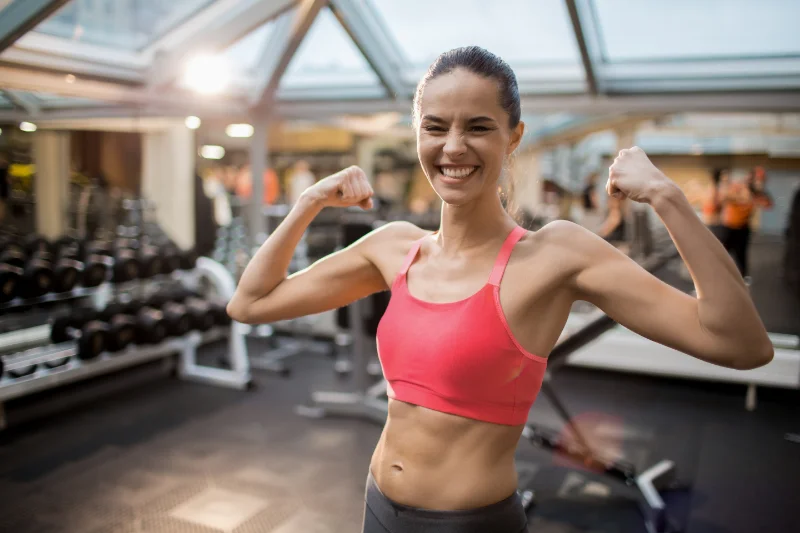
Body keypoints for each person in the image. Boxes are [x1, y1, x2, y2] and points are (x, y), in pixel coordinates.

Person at [227, 47, 773, 533]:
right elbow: (250, 303)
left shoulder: (555, 254)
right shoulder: (395, 246)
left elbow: (741, 344)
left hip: (470, 523)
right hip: (377, 507)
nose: (453, 147)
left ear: (514, 136)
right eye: (435, 126)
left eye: (479, 127)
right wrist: (308, 204)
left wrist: (666, 196)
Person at [721, 167, 773, 279]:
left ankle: (743, 279)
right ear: (751, 178)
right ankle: (716, 276)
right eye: (758, 180)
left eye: (762, 181)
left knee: (741, 255)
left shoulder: (758, 193)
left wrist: (755, 196)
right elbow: (725, 197)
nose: (760, 183)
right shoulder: (739, 186)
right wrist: (741, 195)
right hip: (729, 227)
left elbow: (768, 204)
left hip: (743, 228)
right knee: (721, 253)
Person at [701, 168, 729, 241]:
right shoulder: (713, 188)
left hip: (715, 222)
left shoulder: (716, 188)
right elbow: (712, 204)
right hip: (712, 222)